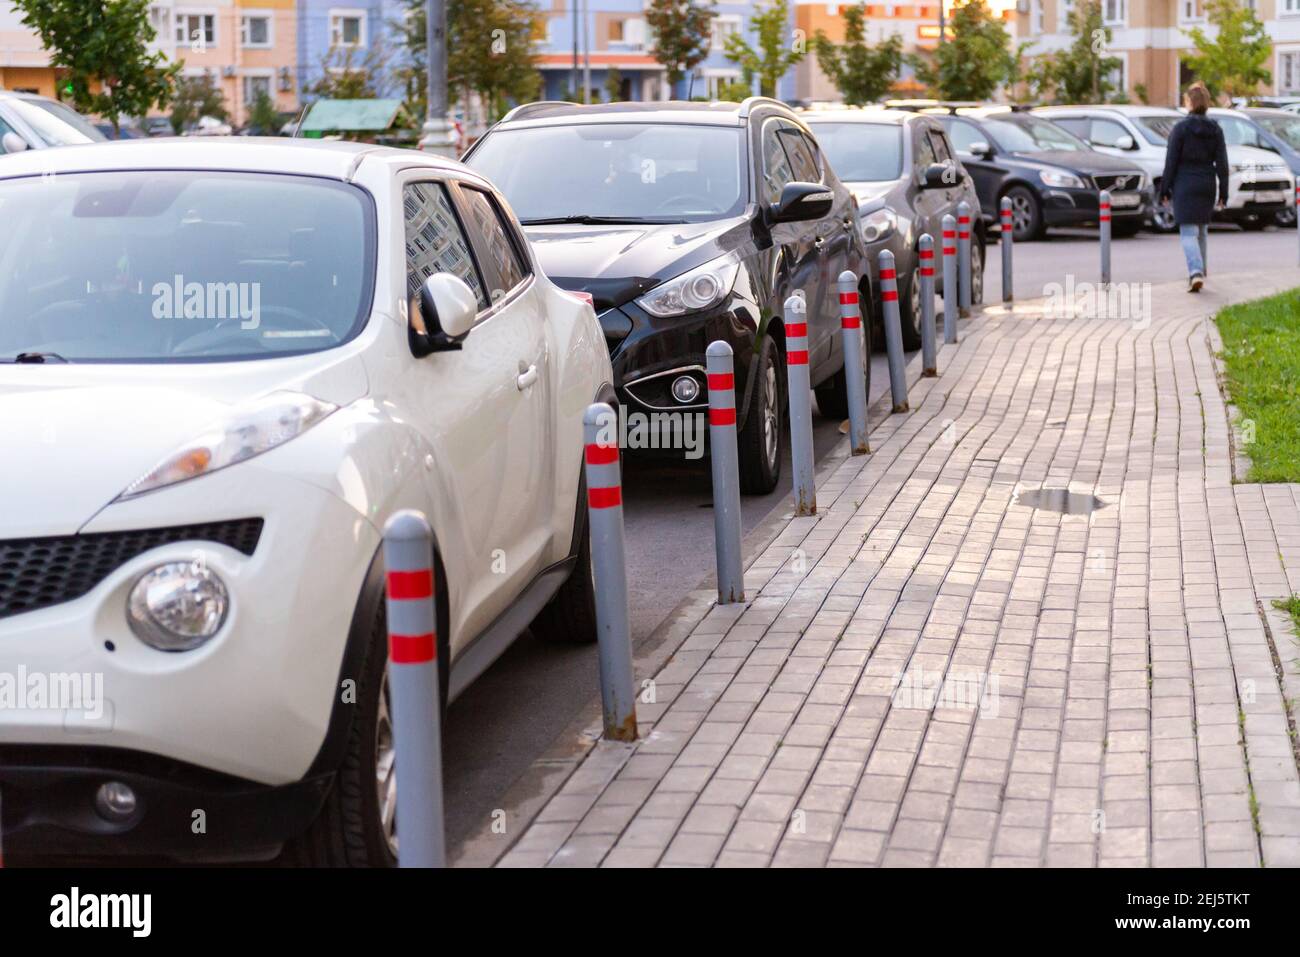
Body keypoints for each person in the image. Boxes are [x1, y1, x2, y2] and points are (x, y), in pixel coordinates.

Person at [1159, 82, 1229, 293]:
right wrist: (1223, 192)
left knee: (1188, 232)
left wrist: (1164, 189)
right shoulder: (1215, 129)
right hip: (1207, 183)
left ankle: (1195, 272)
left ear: (1189, 102)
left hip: (1185, 184)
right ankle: (1202, 270)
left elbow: (1171, 161)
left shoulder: (1180, 129)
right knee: (1202, 230)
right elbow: (1223, 164)